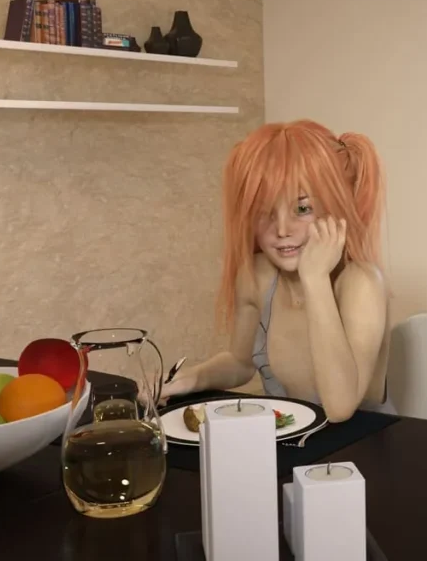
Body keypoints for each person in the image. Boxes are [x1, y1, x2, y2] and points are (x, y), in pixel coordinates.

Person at [160, 119, 395, 422]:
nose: (282, 229)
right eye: (265, 212)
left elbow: (339, 408)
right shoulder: (257, 276)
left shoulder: (362, 283)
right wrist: (192, 378)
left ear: (335, 209)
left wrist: (315, 279)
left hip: (363, 443)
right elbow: (240, 362)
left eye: (302, 209)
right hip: (290, 441)